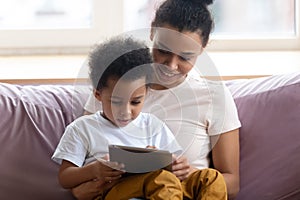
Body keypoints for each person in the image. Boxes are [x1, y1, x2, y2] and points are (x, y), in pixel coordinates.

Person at [75, 0, 241, 199]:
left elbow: (231, 182)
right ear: (152, 31)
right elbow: (78, 178)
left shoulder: (214, 96)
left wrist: (187, 174)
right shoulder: (115, 86)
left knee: (210, 179)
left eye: (185, 57)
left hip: (186, 192)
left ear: (202, 48)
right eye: (163, 51)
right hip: (125, 192)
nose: (171, 66)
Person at [52, 36, 184, 200]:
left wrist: (172, 164)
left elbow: (174, 166)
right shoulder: (82, 128)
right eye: (116, 102)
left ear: (146, 94)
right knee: (162, 181)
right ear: (98, 95)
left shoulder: (154, 126)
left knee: (208, 179)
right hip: (113, 192)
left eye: (135, 102)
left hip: (156, 191)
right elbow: (65, 177)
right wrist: (94, 170)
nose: (126, 112)